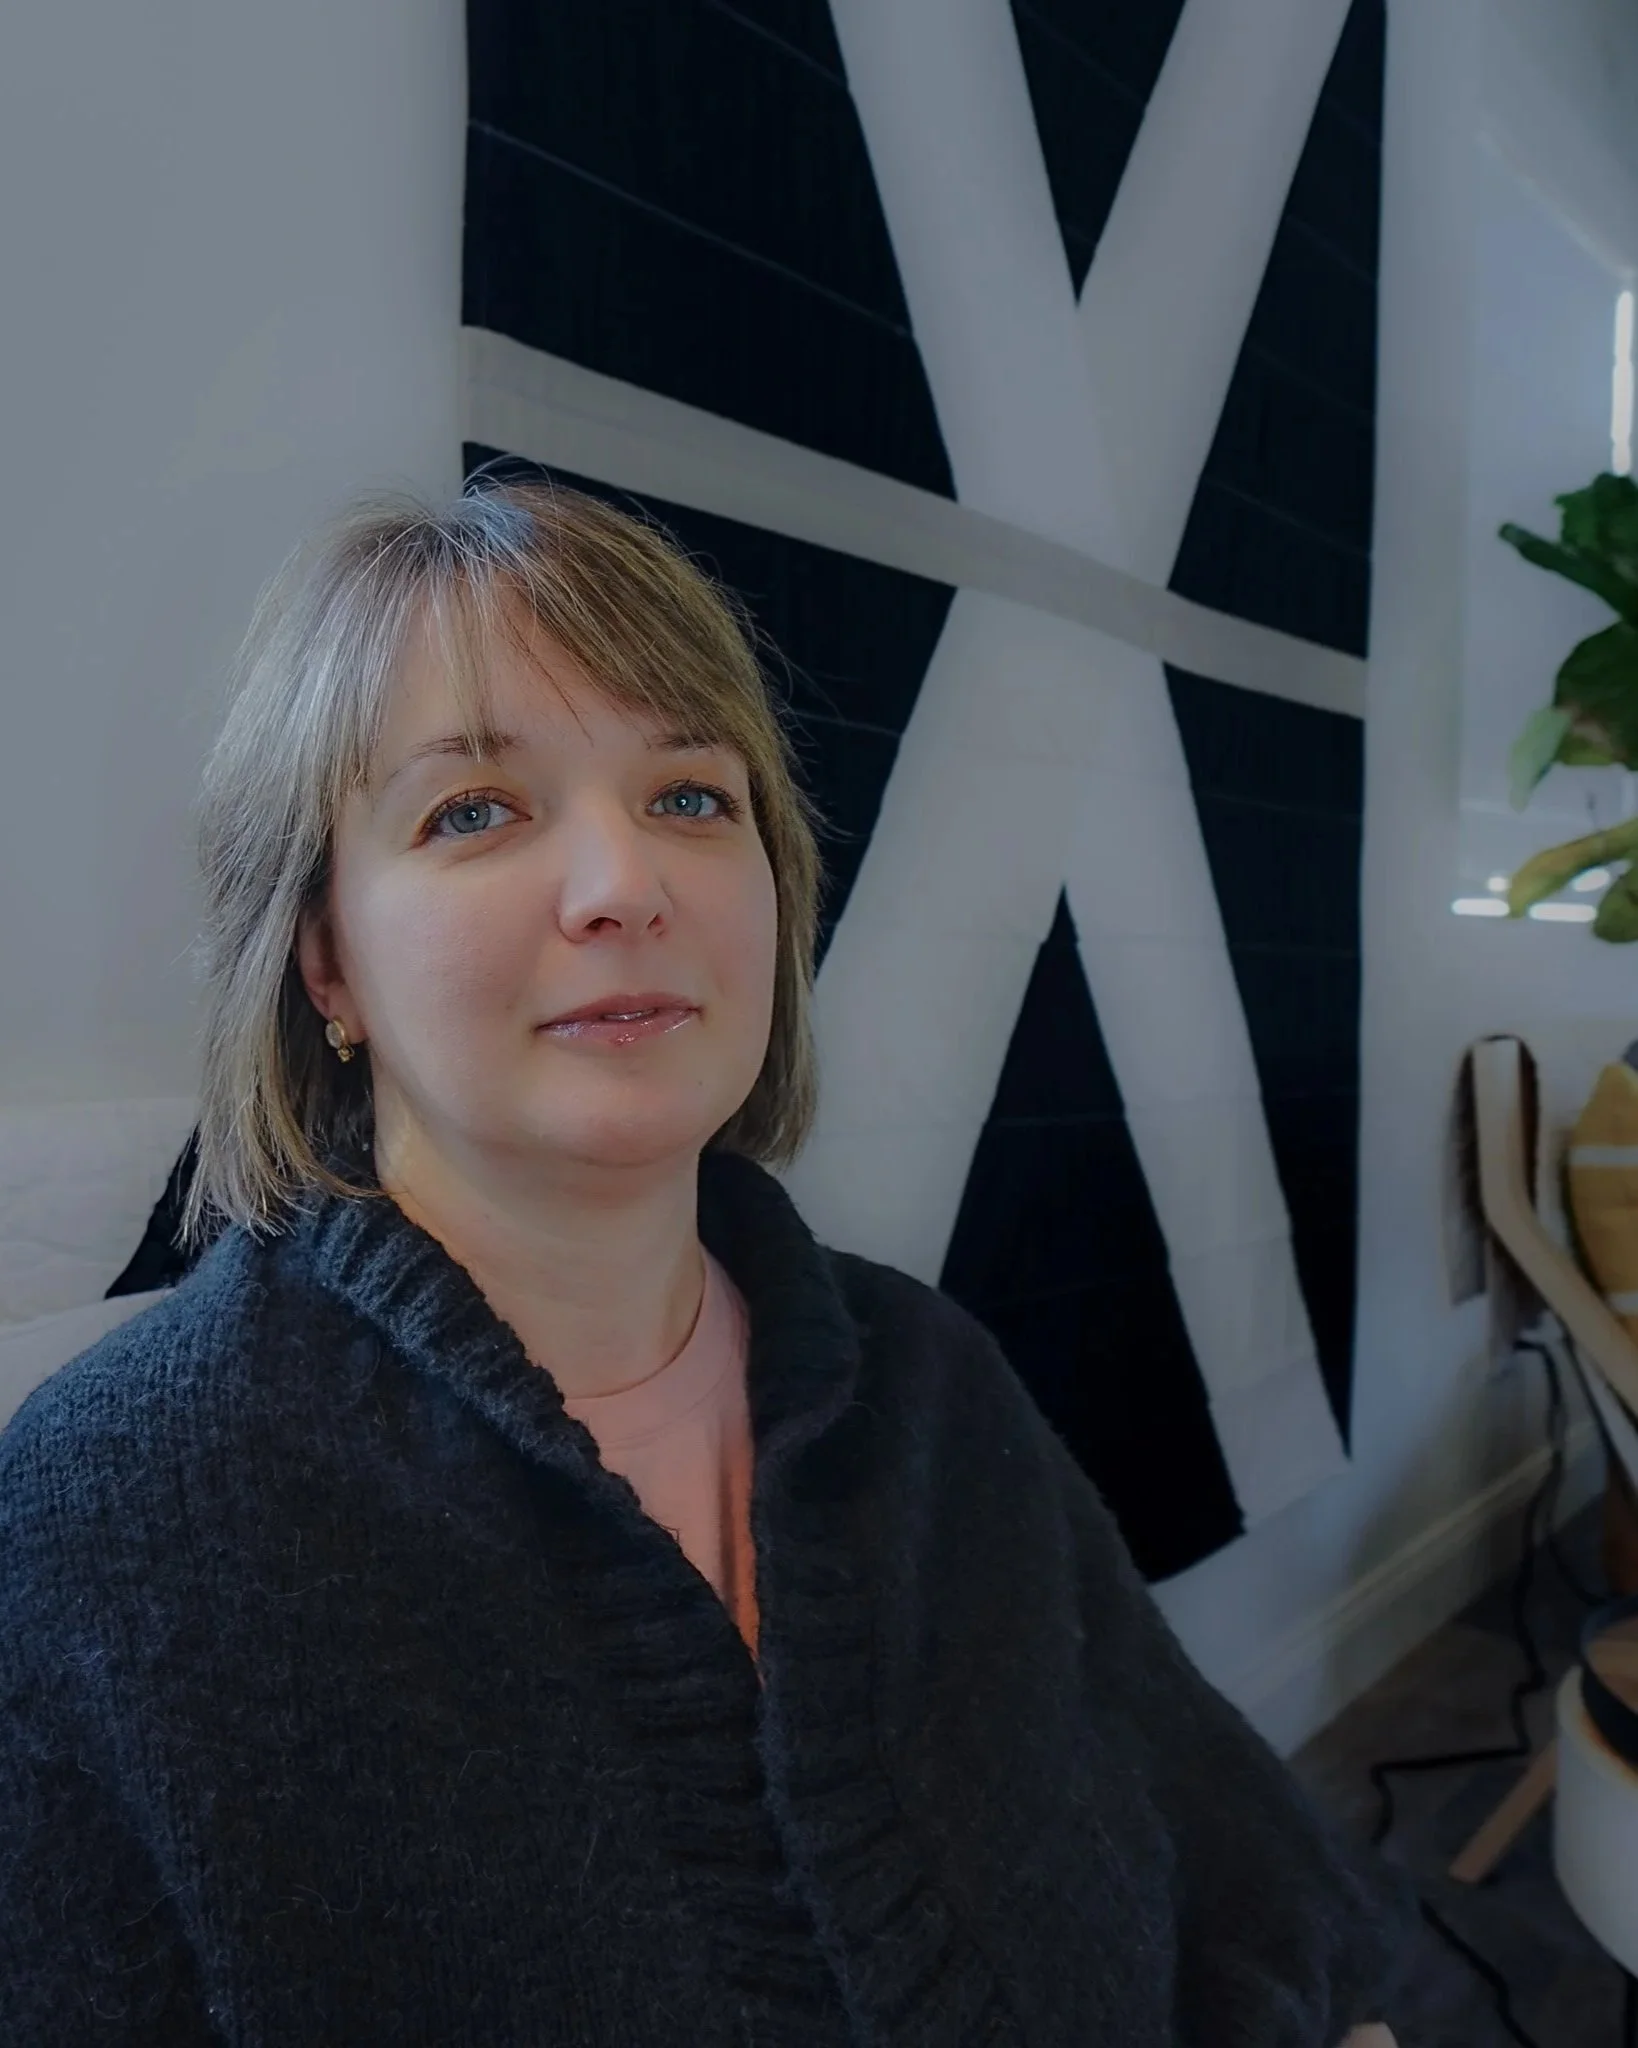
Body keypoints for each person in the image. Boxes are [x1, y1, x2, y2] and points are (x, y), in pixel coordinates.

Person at [0, 482, 1413, 2044]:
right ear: (326, 957)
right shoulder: (105, 1522)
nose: (625, 884)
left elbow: (1238, 1861)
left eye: (689, 796)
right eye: (473, 811)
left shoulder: (925, 1382)